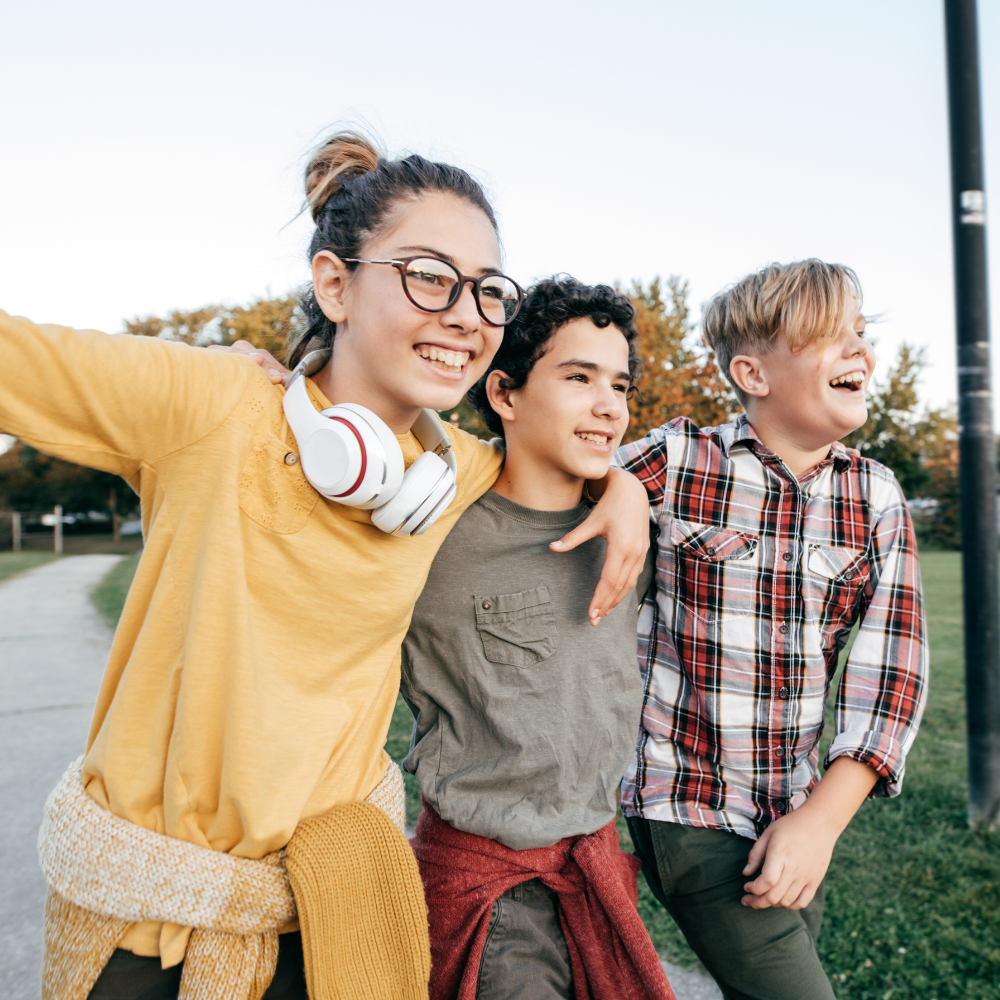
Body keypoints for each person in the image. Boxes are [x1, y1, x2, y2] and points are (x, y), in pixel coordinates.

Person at [3, 132, 649, 1000]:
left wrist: (625, 487)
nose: (467, 315)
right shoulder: (210, 403)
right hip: (148, 922)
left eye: (490, 291)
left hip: (332, 915)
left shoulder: (453, 472)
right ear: (334, 283)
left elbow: (574, 431)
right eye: (428, 275)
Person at [615, 260, 928, 999]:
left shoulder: (875, 494)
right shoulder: (680, 458)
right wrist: (621, 488)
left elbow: (892, 676)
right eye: (830, 335)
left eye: (861, 332)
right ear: (753, 372)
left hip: (796, 811)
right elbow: (552, 466)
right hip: (683, 802)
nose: (860, 350)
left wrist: (819, 825)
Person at [400, 277, 675, 1000]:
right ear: (505, 394)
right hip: (491, 893)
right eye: (578, 377)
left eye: (619, 383)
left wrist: (630, 491)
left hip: (590, 871)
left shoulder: (632, 534)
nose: (609, 404)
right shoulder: (434, 531)